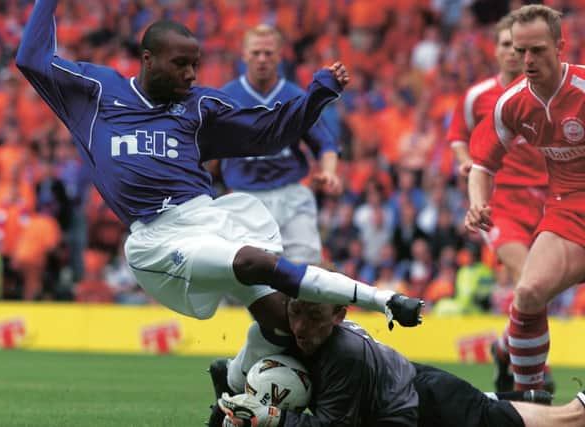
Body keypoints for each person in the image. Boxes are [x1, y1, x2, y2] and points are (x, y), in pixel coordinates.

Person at [16, 0, 423, 391]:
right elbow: (31, 58)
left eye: (195, 64)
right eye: (180, 64)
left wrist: (316, 96)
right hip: (158, 237)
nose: (191, 75)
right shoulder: (97, 92)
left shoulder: (200, 107)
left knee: (285, 323)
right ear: (147, 59)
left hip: (211, 218)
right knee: (254, 262)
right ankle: (382, 299)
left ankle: (231, 381)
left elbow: (268, 132)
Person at [215, 299, 585, 427]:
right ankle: (526, 397)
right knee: (492, 411)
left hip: (422, 405)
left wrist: (275, 419)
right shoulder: (300, 332)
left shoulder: (343, 354)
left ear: (339, 316)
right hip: (413, 390)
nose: (299, 327)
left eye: (312, 317)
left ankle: (577, 411)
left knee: (501, 421)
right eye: (295, 312)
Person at [466, 4, 585, 392]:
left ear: (560, 47)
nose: (527, 60)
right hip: (568, 208)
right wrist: (477, 202)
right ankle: (530, 398)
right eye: (521, 51)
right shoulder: (511, 103)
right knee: (528, 292)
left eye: (537, 50)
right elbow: (481, 163)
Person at [446, 13, 550, 392]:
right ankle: (535, 379)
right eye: (507, 45)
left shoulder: (543, 92)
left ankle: (507, 348)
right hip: (500, 203)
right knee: (531, 282)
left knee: (540, 288)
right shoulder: (477, 95)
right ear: (495, 50)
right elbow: (458, 136)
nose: (514, 53)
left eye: (520, 47)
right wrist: (463, 161)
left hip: (548, 202)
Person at [218, 24, 342, 266]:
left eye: (268, 53)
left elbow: (325, 143)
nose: (262, 59)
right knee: (251, 278)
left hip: (290, 193)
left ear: (279, 55)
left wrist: (330, 172)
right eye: (256, 53)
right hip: (246, 197)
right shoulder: (224, 98)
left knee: (306, 270)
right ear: (244, 55)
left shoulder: (295, 96)